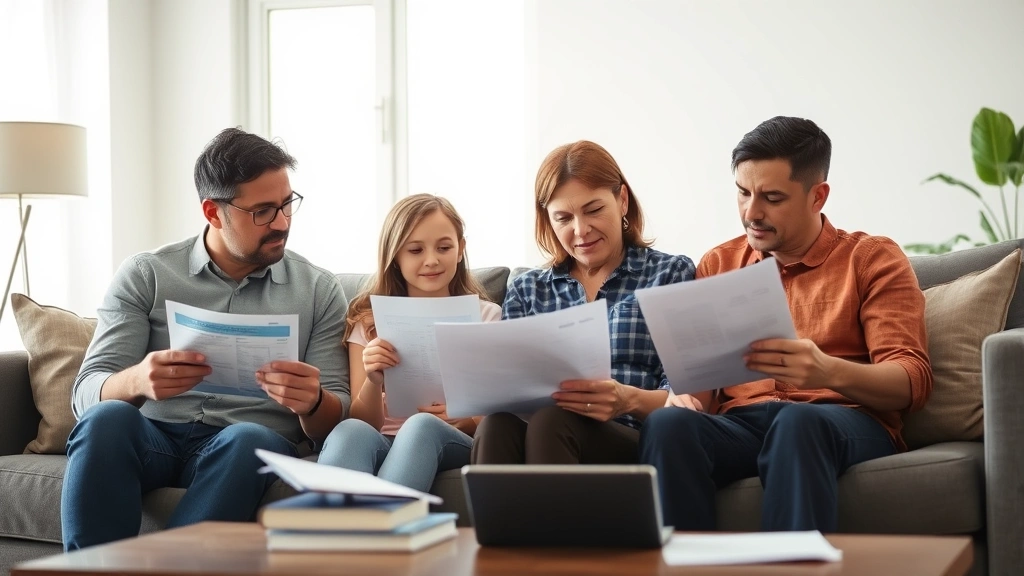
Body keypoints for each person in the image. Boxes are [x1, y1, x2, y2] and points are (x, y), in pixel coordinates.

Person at [639, 116, 932, 532]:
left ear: (818, 196)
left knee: (798, 422)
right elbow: (700, 389)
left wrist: (826, 370)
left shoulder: (871, 258)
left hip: (841, 421)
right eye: (742, 193)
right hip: (743, 423)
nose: (751, 213)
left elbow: (912, 381)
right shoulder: (719, 264)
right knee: (669, 425)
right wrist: (684, 398)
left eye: (772, 198)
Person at [62, 127, 350, 550]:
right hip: (156, 438)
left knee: (247, 438)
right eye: (264, 211)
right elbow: (84, 395)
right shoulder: (148, 274)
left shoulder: (318, 290)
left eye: (288, 204)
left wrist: (313, 401)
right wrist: (137, 381)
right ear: (214, 213)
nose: (283, 223)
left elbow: (336, 418)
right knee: (106, 420)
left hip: (246, 444)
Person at [471, 140, 695, 465]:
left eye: (593, 210)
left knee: (553, 420)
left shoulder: (669, 273)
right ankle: (500, 519)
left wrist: (625, 399)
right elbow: (507, 390)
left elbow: (683, 396)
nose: (581, 230)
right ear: (548, 220)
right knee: (496, 425)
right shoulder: (527, 289)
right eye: (563, 218)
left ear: (622, 200)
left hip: (631, 434)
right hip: (543, 429)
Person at [317, 194, 499, 491]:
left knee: (420, 426)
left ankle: (386, 528)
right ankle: (332, 530)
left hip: (449, 438)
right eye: (415, 250)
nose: (431, 260)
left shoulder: (486, 317)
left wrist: (465, 417)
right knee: (349, 430)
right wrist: (374, 381)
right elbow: (364, 421)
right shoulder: (368, 320)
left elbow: (496, 414)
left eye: (444, 248)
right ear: (395, 256)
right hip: (382, 436)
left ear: (461, 249)